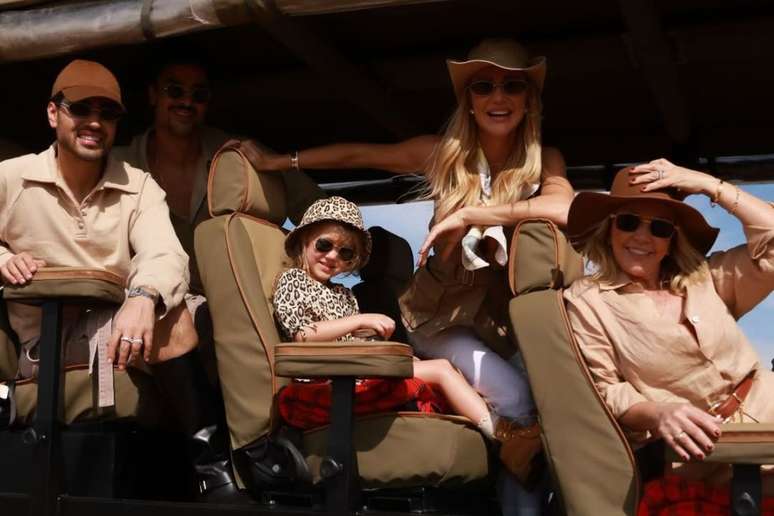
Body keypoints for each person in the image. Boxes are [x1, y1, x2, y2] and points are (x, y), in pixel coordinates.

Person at [238, 38, 573, 514]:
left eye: (512, 85)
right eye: (484, 86)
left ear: (529, 99)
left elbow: (563, 207)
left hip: (504, 320)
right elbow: (359, 156)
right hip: (440, 321)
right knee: (516, 400)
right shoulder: (445, 153)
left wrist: (473, 215)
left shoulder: (544, 160)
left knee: (546, 408)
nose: (498, 97)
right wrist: (278, 163)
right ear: (470, 101)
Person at [0, 60, 240, 502]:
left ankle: (246, 462)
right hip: (47, 341)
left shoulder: (139, 185)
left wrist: (144, 296)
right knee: (177, 319)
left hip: (119, 325)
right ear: (53, 113)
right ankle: (213, 470)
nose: (94, 122)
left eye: (107, 113)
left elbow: (165, 253)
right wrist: (1, 258)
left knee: (202, 312)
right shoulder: (10, 177)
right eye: (80, 109)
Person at [272, 196, 535, 478]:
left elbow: (348, 338)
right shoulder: (293, 281)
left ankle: (502, 437)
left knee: (445, 370)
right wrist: (360, 320)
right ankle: (505, 436)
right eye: (324, 245)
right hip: (328, 378)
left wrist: (373, 339)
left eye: (345, 253)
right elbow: (303, 337)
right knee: (441, 369)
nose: (332, 256)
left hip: (353, 367)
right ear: (304, 241)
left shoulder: (343, 294)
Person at [564, 162, 774, 514]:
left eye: (659, 227)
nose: (643, 237)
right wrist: (660, 413)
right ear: (609, 227)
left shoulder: (705, 277)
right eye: (629, 222)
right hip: (705, 447)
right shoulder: (588, 301)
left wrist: (706, 184)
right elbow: (608, 390)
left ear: (671, 239)